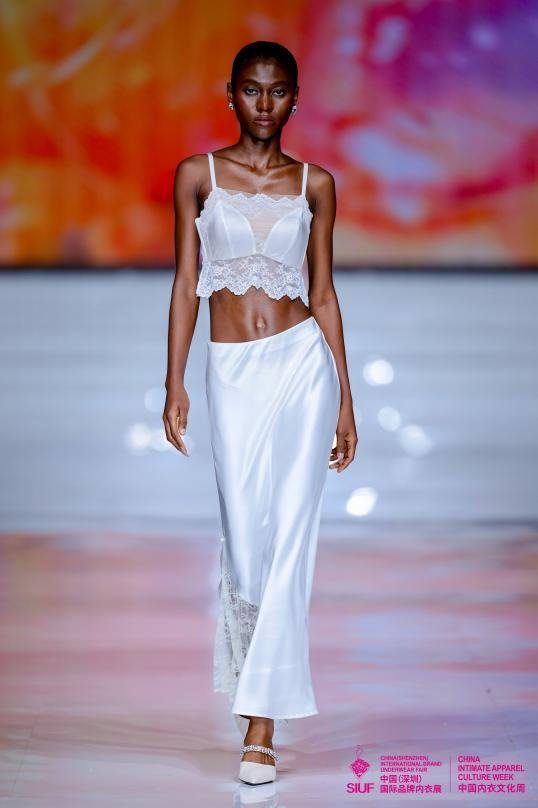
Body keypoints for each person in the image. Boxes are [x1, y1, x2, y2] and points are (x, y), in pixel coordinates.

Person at [163, 40, 358, 785]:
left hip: (302, 365)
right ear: (231, 94)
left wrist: (346, 396)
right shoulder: (198, 176)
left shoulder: (316, 184)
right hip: (231, 373)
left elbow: (325, 292)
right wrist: (175, 381)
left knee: (292, 539)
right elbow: (186, 284)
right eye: (251, 90)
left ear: (297, 98)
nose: (265, 104)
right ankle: (258, 698)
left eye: (278, 91)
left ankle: (261, 727)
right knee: (246, 541)